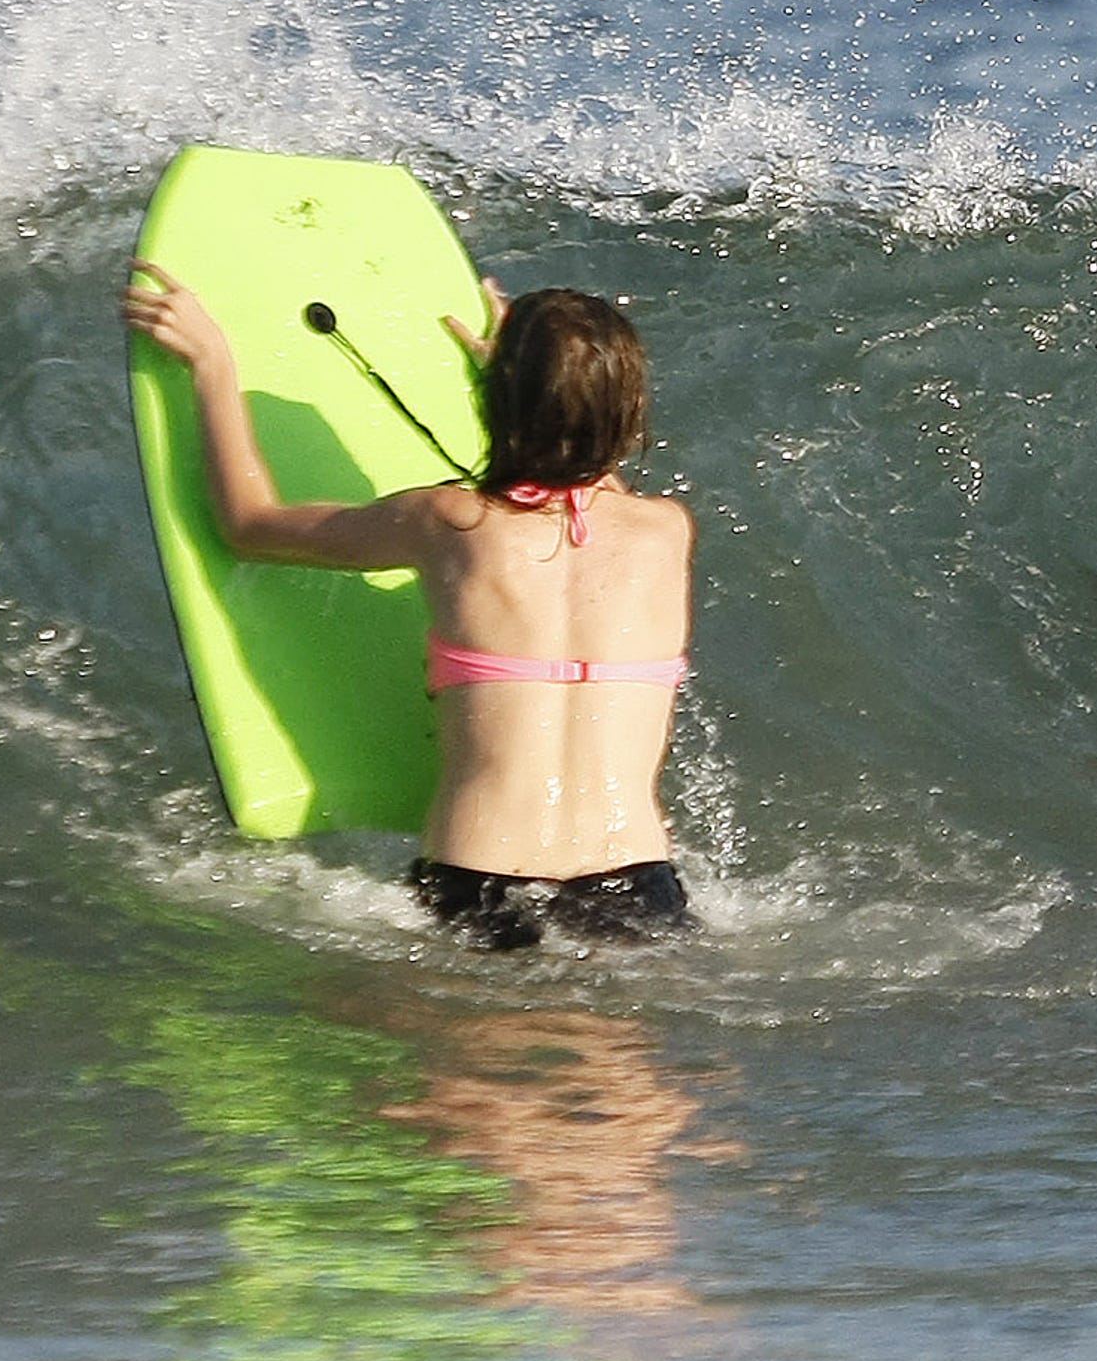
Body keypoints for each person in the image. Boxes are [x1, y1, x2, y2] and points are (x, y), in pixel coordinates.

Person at [124, 261, 699, 951]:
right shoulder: (665, 531)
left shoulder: (447, 524)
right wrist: (539, 387)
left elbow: (249, 524)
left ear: (499, 401)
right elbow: (590, 482)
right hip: (638, 890)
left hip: (484, 884)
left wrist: (213, 364)